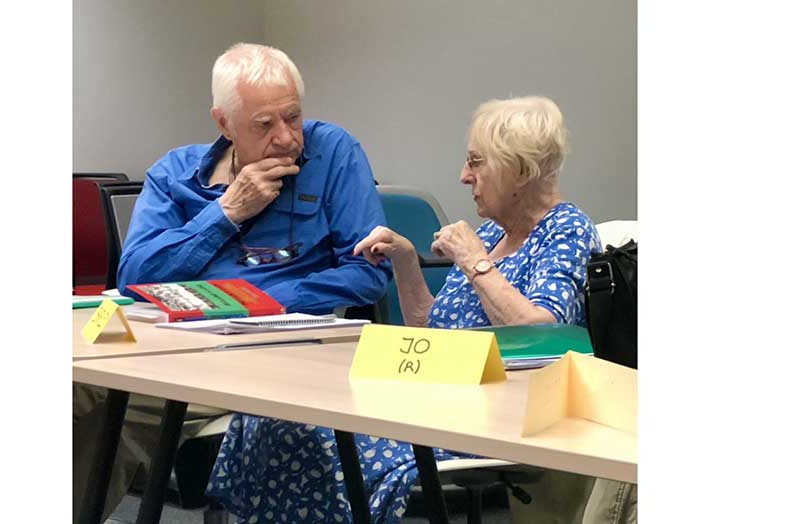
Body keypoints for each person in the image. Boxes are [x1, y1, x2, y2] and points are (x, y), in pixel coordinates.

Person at [206, 96, 613, 524]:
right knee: (277, 418)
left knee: (317, 437)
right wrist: (404, 259)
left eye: (477, 162)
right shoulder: (494, 232)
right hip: (433, 399)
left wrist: (475, 261)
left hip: (494, 418)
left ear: (522, 171)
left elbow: (541, 333)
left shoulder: (566, 230)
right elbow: (430, 328)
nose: (464, 175)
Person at [73, 42, 391, 524]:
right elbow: (135, 275)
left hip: (272, 354)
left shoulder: (332, 152)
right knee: (76, 389)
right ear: (224, 124)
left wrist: (245, 302)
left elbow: (368, 271)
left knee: (104, 410)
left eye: (293, 117)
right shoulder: (175, 172)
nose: (285, 137)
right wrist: (226, 213)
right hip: (162, 344)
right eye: (264, 125)